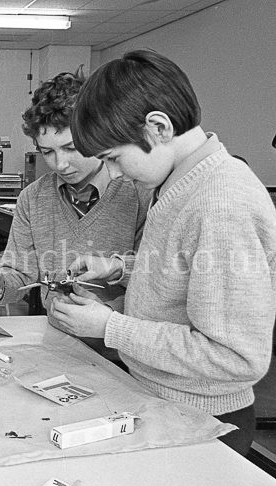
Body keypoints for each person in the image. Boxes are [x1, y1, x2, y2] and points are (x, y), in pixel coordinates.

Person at [49, 50, 276, 456]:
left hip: (202, 421)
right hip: (161, 400)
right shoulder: (181, 183)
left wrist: (110, 327)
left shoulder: (221, 202)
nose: (115, 173)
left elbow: (235, 357)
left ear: (158, 127)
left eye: (114, 158)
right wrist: (119, 269)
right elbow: (190, 268)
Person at [0, 72, 151, 365]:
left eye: (71, 148)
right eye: (47, 152)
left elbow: (158, 281)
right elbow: (20, 274)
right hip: (59, 348)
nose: (61, 164)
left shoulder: (139, 194)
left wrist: (109, 313)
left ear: (97, 134)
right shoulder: (33, 198)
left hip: (127, 358)